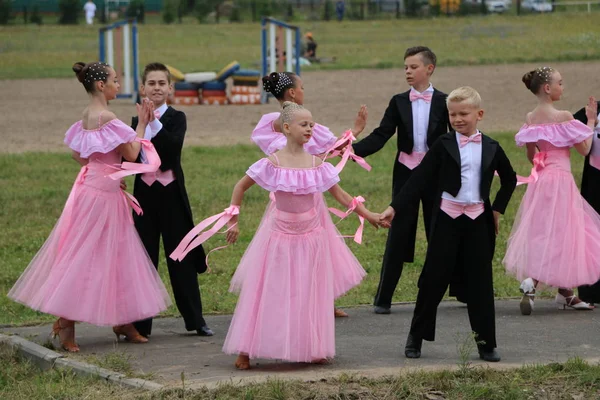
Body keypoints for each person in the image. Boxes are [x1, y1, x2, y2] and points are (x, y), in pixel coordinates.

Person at [195, 102, 380, 369]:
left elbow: (343, 197)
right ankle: (246, 349)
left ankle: (311, 346)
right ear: (286, 128)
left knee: (308, 293)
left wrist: (370, 214)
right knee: (268, 292)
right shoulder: (273, 162)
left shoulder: (318, 164)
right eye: (303, 125)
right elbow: (240, 187)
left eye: (312, 125)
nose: (309, 129)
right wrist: (233, 220)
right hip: (279, 238)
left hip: (311, 239)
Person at [8, 61, 171, 352]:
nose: (118, 85)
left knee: (114, 252)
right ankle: (66, 323)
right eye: (115, 80)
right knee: (89, 255)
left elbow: (77, 153)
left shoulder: (87, 115)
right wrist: (142, 124)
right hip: (102, 197)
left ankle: (122, 320)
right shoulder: (107, 116)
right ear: (101, 86)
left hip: (91, 188)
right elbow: (133, 154)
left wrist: (103, 170)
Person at [380, 86, 517, 362]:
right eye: (452, 115)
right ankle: (415, 337)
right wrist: (394, 207)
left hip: (478, 222)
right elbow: (418, 180)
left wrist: (497, 211)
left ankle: (486, 342)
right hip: (447, 220)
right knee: (432, 280)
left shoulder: (491, 146)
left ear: (479, 114)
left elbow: (510, 179)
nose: (457, 119)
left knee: (480, 283)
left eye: (463, 114)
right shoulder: (443, 145)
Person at [255, 71, 368, 318]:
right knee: (303, 252)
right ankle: (303, 302)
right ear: (293, 93)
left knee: (312, 252)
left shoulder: (281, 122)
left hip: (299, 194)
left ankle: (321, 299)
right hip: (296, 200)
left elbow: (325, 153)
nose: (304, 92)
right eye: (302, 87)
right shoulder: (291, 123)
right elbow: (332, 150)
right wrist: (355, 131)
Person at [352, 46, 454, 314]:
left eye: (413, 67)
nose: (407, 71)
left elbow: (457, 138)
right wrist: (350, 150)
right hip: (407, 173)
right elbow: (381, 135)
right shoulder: (398, 101)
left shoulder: (446, 101)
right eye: (405, 67)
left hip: (435, 175)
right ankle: (383, 298)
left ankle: (460, 291)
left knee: (441, 232)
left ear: (429, 69)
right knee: (398, 232)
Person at [503, 67, 600, 315]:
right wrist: (590, 119)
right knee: (565, 231)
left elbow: (531, 155)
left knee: (544, 230)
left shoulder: (530, 117)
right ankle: (534, 283)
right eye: (560, 83)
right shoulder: (564, 115)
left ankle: (564, 291)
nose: (562, 87)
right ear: (547, 88)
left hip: (540, 180)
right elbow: (585, 148)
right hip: (561, 181)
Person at [130, 62, 213, 338]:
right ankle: (140, 325)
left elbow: (169, 151)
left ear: (170, 88)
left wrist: (152, 121)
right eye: (151, 83)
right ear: (142, 88)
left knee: (181, 257)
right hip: (143, 198)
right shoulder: (134, 122)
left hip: (172, 196)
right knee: (144, 259)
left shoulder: (177, 118)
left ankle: (195, 319)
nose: (156, 88)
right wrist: (141, 123)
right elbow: (129, 157)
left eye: (161, 84)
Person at [574, 98, 600, 305]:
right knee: (592, 235)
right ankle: (591, 292)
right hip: (595, 183)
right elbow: (563, 129)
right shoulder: (592, 110)